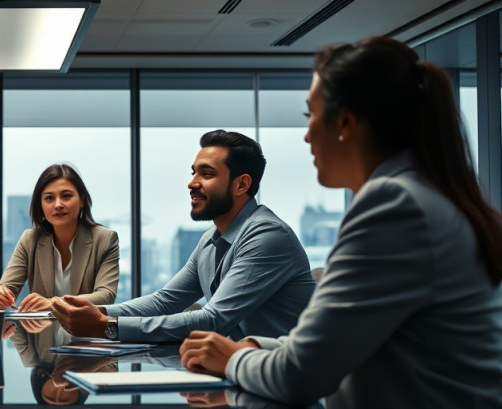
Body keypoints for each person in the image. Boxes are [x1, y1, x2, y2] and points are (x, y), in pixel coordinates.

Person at [180, 37, 502, 408]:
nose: (307, 134)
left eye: (310, 115)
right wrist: (253, 346)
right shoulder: (420, 195)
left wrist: (232, 359)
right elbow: (340, 343)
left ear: (344, 123)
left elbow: (303, 375)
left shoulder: (395, 207)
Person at [51, 130, 314, 343]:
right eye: (194, 172)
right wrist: (90, 313)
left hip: (282, 381)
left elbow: (213, 319)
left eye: (207, 173)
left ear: (241, 184)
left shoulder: (267, 235)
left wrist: (107, 327)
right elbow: (165, 301)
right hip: (241, 371)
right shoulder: (212, 239)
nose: (192, 183)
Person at [0, 164, 119, 312]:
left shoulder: (105, 239)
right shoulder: (30, 240)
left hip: (86, 332)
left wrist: (54, 303)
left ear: (81, 200)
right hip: (41, 331)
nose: (58, 204)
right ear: (40, 205)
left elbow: (106, 295)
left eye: (66, 196)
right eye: (49, 198)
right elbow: (5, 286)